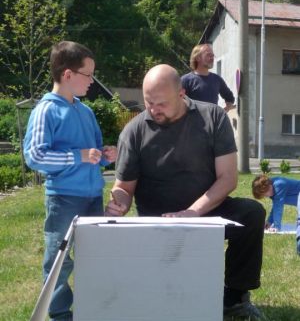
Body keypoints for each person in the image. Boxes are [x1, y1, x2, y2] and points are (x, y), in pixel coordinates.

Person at [105, 64, 266, 320]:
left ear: (181, 94)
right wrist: (119, 203)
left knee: (251, 213)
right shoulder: (133, 132)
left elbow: (228, 178)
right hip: (158, 219)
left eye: (161, 103)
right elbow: (123, 188)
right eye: (149, 103)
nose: (154, 110)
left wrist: (192, 212)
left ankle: (235, 298)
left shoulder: (213, 118)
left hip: (207, 210)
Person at [23, 41, 117, 321]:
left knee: (95, 258)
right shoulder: (45, 110)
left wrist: (104, 157)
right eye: (88, 75)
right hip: (63, 198)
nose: (92, 81)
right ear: (67, 75)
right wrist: (79, 156)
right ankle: (59, 314)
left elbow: (93, 152)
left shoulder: (86, 112)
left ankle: (92, 310)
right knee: (59, 260)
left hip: (92, 197)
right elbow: (35, 155)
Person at [252, 174, 300, 254]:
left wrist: (277, 227)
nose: (266, 196)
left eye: (265, 194)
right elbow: (275, 206)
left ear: (268, 187)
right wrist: (269, 222)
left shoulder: (279, 185)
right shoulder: (272, 188)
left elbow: (278, 206)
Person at [181, 44, 235, 112]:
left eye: (212, 55)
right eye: (208, 55)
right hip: (193, 122)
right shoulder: (186, 80)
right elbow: (176, 104)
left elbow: (230, 98)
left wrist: (222, 113)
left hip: (213, 122)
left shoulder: (217, 79)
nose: (212, 58)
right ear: (197, 58)